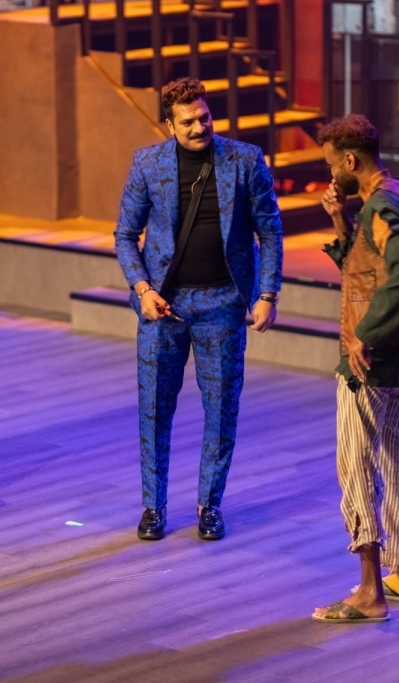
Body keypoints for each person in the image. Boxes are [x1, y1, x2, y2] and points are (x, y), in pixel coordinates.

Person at [114, 77, 283, 541]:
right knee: (153, 410)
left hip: (223, 304)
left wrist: (267, 294)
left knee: (222, 409)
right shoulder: (147, 163)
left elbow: (270, 231)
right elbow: (125, 235)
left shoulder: (245, 160)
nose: (198, 127)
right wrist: (142, 289)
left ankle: (210, 505)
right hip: (163, 307)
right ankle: (153, 507)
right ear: (169, 125)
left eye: (204, 117)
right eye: (187, 122)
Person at [310, 115, 399, 623]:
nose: (330, 174)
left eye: (331, 164)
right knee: (394, 460)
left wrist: (367, 332)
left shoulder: (382, 205)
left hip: (370, 359)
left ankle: (369, 592)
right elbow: (366, 272)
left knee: (356, 467)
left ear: (350, 160)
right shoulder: (395, 193)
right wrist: (341, 223)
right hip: (397, 356)